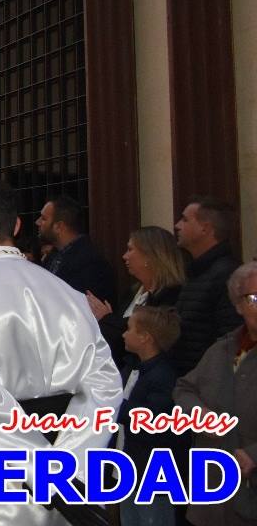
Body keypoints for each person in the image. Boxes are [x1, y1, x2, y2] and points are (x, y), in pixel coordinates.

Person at [0, 175, 122, 526]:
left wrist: (41, 467)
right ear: (18, 225)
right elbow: (105, 382)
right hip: (66, 466)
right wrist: (71, 460)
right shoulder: (66, 292)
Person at [173, 261, 257, 526]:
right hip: (212, 495)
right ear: (238, 305)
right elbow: (184, 388)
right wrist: (200, 414)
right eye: (253, 298)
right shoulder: (221, 349)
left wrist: (254, 454)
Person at [115, 305, 184, 526]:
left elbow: (152, 422)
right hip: (129, 463)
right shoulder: (132, 367)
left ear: (145, 337)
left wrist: (115, 406)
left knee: (153, 519)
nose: (124, 334)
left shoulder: (163, 376)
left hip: (152, 471)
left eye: (129, 329)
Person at [86, 226, 184, 371]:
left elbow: (148, 336)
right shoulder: (132, 292)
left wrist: (108, 319)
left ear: (149, 255)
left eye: (130, 249)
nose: (124, 256)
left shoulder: (170, 296)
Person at [171, 195, 243, 374]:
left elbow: (231, 336)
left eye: (185, 220)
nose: (177, 226)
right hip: (190, 379)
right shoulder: (196, 272)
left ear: (205, 228)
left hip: (210, 383)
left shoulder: (227, 275)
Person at [35, 194, 116, 306]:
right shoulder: (53, 256)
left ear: (59, 226)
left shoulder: (90, 263)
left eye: (43, 218)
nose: (37, 222)